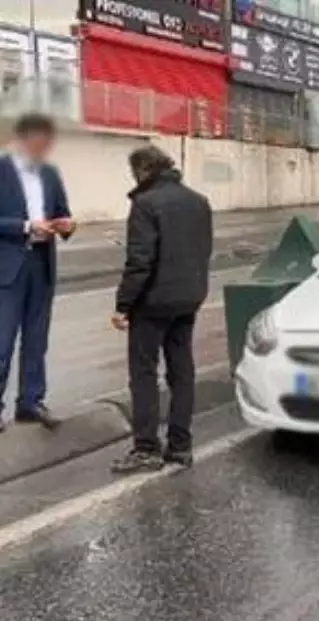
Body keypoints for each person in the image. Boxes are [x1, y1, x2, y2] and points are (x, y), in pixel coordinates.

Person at [110, 146, 213, 474]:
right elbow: (203, 251)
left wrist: (123, 305)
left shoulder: (145, 203)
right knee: (182, 371)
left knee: (143, 373)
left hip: (152, 303)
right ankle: (181, 446)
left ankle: (146, 448)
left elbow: (140, 262)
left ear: (142, 171)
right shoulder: (199, 201)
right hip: (188, 298)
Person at [0, 113, 75, 434]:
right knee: (2, 340)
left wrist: (67, 224)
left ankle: (31, 402)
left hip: (41, 264)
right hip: (8, 266)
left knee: (36, 339)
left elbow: (62, 211)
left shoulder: (50, 173)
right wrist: (26, 226)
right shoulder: (1, 170)